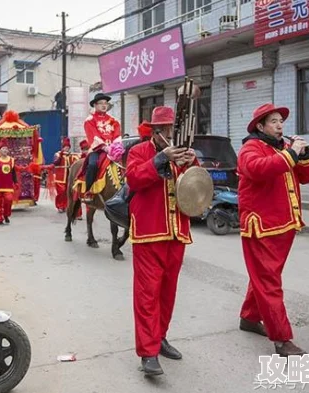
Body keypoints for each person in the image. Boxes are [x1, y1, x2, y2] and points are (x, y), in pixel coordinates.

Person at [237, 103, 309, 357]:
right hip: (261, 226)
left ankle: (249, 318)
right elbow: (259, 170)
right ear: (260, 126)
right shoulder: (250, 148)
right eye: (273, 121)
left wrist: (304, 156)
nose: (280, 125)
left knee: (265, 277)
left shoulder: (284, 148)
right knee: (269, 281)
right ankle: (282, 339)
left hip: (284, 223)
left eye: (280, 120)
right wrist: (291, 155)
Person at [125, 106, 199, 376]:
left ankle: (161, 336)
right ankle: (148, 352)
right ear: (156, 132)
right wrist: (160, 160)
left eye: (173, 129)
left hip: (177, 231)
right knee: (147, 295)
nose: (171, 133)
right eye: (166, 129)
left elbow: (196, 188)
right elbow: (133, 179)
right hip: (148, 233)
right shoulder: (138, 151)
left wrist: (191, 163)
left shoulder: (184, 153)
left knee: (168, 292)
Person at [82, 93, 122, 201]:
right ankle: (88, 191)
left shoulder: (114, 120)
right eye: (101, 103)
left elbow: (117, 135)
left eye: (106, 103)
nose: (104, 105)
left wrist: (116, 147)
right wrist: (105, 147)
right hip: (97, 149)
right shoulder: (90, 120)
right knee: (93, 165)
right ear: (95, 105)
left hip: (113, 149)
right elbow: (93, 136)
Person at [0, 140, 18, 225]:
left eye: (6, 149)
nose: (5, 150)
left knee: (8, 200)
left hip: (8, 186)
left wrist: (16, 182)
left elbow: (13, 173)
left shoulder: (11, 160)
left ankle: (6, 215)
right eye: (3, 149)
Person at [53, 137, 76, 213]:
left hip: (68, 177)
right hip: (60, 177)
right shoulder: (58, 154)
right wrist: (60, 156)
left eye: (68, 147)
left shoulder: (70, 155)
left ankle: (65, 205)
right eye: (65, 147)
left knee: (67, 192)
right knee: (61, 192)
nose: (67, 148)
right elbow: (55, 162)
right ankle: (59, 205)